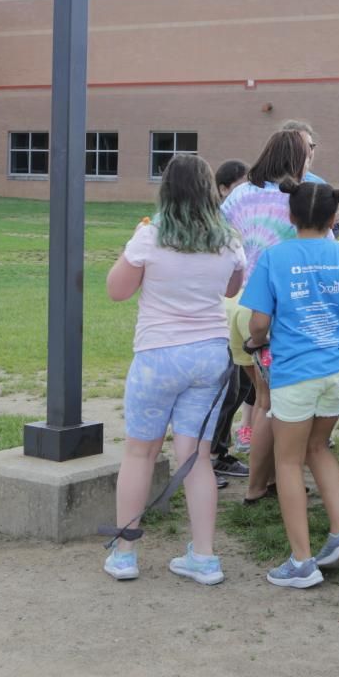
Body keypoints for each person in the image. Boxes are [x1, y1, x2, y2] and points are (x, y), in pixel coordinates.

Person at [102, 154, 246, 585]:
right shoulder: (228, 239)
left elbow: (117, 291)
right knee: (196, 457)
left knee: (139, 452)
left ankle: (125, 552)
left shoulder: (150, 236)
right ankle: (203, 557)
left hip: (158, 355)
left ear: (166, 189)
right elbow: (232, 287)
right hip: (210, 356)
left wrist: (135, 244)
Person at [240, 180, 339, 588]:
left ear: (290, 216)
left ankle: (301, 561)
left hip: (297, 371)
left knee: (289, 461)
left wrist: (257, 341)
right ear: (334, 218)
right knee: (320, 447)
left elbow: (258, 322)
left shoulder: (274, 257)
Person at [221, 129, 310, 502]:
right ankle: (262, 484)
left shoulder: (239, 194)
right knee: (271, 401)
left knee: (260, 396)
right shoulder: (296, 200)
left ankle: (270, 479)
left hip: (238, 302)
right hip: (277, 309)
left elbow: (222, 241)